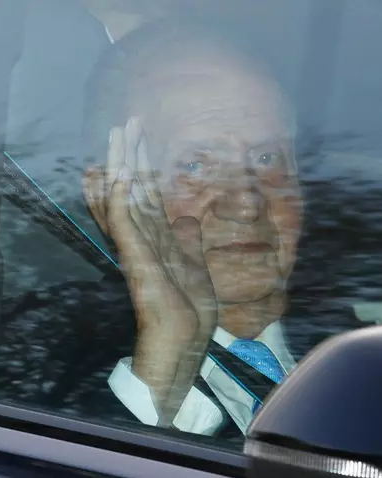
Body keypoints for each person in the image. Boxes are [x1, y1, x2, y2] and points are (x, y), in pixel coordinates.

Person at [79, 25, 305, 435]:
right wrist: (162, 375)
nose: (246, 203)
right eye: (195, 165)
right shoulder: (39, 360)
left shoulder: (368, 350)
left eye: (267, 158)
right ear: (109, 197)